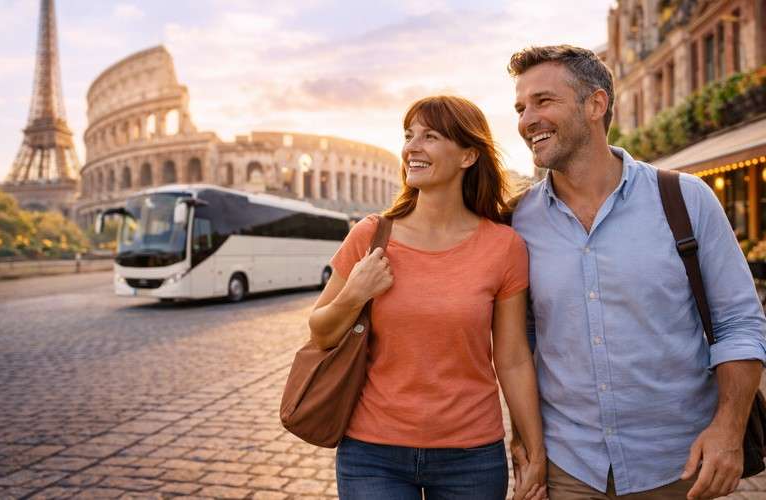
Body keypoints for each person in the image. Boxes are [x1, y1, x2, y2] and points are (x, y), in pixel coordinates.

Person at [507, 45, 766, 499]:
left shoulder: (686, 199)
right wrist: (525, 437)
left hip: (678, 467)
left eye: (543, 101)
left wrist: (729, 430)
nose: (528, 119)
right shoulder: (518, 221)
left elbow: (740, 322)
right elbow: (520, 339)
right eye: (521, 107)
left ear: (596, 104)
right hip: (570, 467)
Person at [308, 95, 547, 500]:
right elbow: (321, 333)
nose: (412, 147)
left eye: (430, 136)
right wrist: (355, 294)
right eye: (408, 135)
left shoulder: (504, 247)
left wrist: (534, 449)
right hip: (372, 453)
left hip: (471, 456)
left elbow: (513, 358)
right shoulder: (370, 235)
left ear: (469, 155)